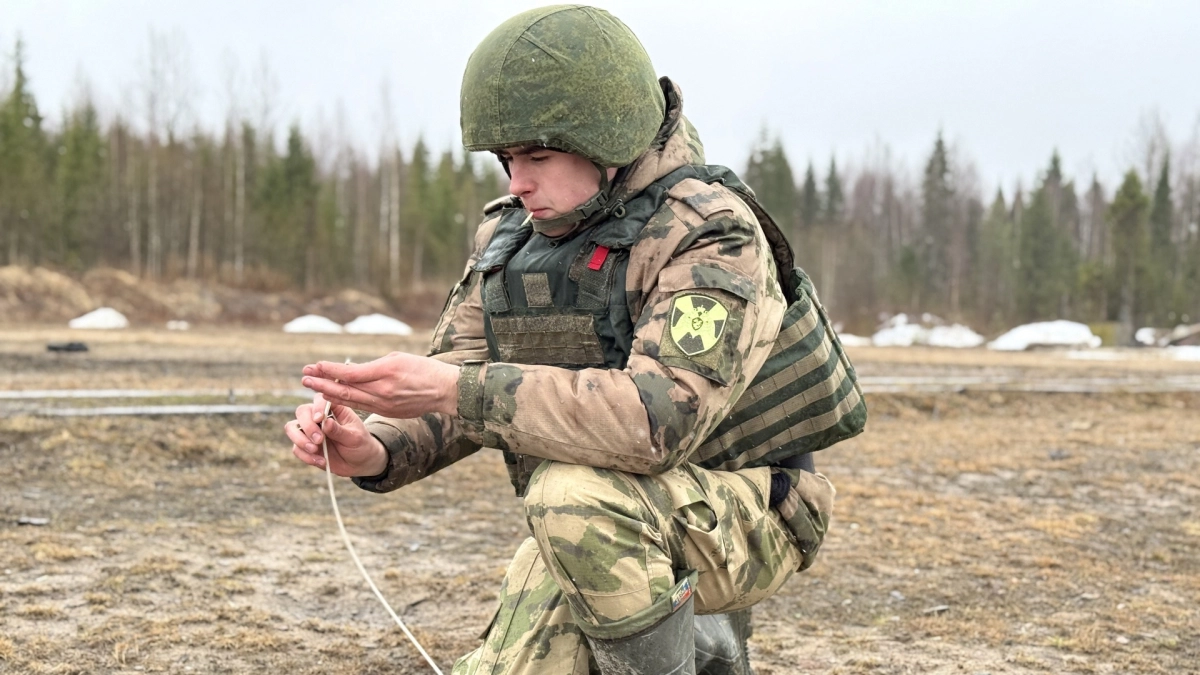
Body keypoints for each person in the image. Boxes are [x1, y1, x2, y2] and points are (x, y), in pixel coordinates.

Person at [286, 6, 863, 674]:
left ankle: (707, 645)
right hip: (597, 510)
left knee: (567, 496)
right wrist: (377, 448)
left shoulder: (711, 234)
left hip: (752, 508)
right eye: (506, 159)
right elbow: (461, 375)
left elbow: (657, 420)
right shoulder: (514, 238)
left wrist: (454, 388)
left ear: (608, 140)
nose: (517, 181)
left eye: (537, 155)